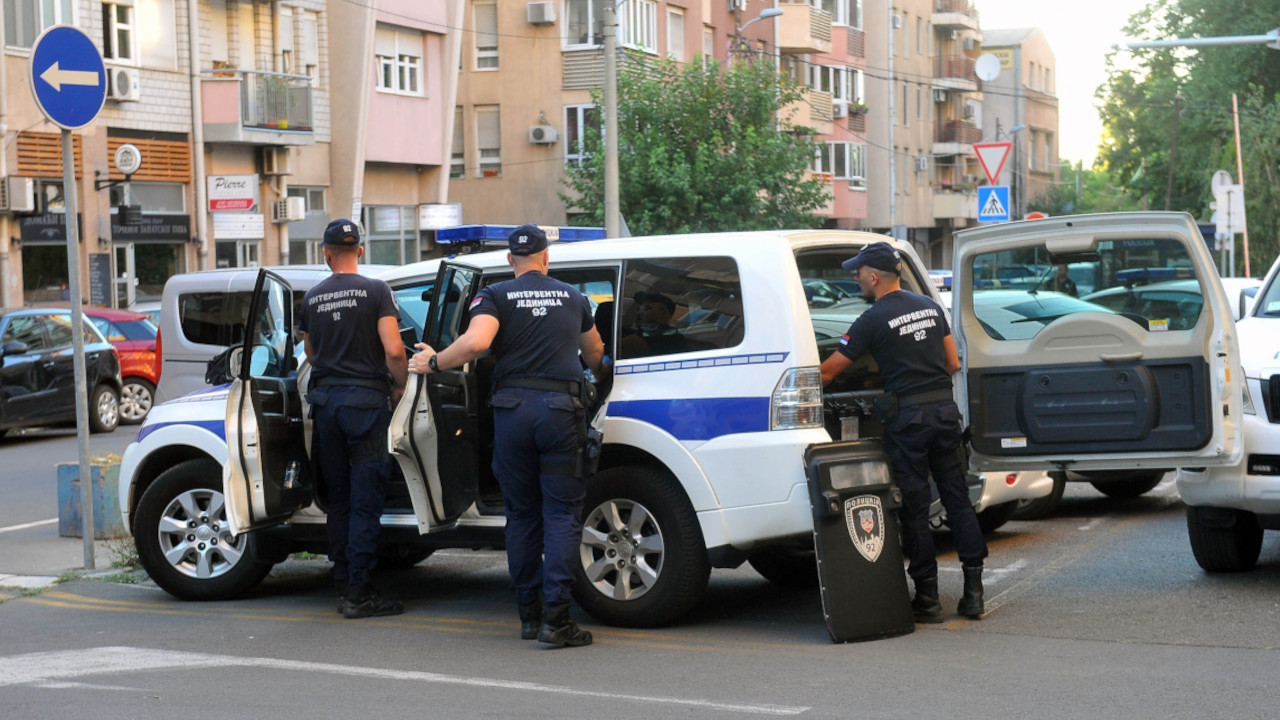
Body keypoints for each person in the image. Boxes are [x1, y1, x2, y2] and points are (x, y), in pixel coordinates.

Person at [409, 224, 605, 647]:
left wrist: (434, 363)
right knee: (561, 515)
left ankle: (529, 617)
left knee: (522, 515)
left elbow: (476, 343)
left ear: (509, 259)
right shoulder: (573, 297)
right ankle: (558, 619)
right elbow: (595, 353)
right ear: (546, 258)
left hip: (513, 413)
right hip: (560, 414)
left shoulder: (495, 294)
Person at [819, 241, 988, 622]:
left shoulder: (872, 320)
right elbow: (952, 362)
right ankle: (974, 594)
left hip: (908, 421)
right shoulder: (929, 306)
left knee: (914, 508)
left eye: (859, 272)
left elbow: (828, 372)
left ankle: (928, 600)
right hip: (944, 414)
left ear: (874, 277)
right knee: (957, 501)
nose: (856, 278)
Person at [300, 218, 408, 619]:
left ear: (326, 253)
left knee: (340, 499)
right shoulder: (377, 290)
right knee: (366, 498)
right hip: (365, 404)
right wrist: (400, 386)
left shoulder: (312, 298)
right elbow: (394, 350)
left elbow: (311, 354)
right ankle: (360, 592)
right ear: (360, 250)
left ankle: (344, 581)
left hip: (327, 405)